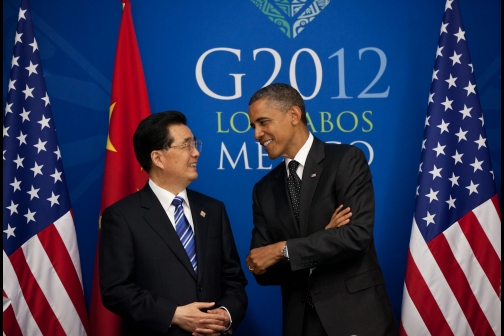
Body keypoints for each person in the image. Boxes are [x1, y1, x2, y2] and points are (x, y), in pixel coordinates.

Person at [245, 83, 398, 336]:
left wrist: (282, 249)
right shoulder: (263, 190)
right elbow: (262, 268)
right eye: (254, 126)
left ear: (294, 115)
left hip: (356, 319)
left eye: (263, 122)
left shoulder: (346, 160)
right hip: (301, 325)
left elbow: (355, 237)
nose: (257, 134)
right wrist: (324, 237)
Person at [99, 111, 248, 336]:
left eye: (195, 143)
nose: (196, 153)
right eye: (186, 145)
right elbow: (115, 290)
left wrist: (226, 314)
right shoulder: (122, 216)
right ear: (158, 158)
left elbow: (234, 279)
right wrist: (173, 314)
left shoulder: (213, 209)